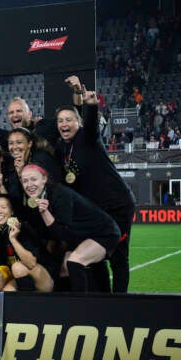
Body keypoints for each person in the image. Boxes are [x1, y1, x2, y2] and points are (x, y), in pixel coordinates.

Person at [55, 76, 135, 293]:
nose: (64, 124)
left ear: (78, 122)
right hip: (96, 211)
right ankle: (103, 299)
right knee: (94, 257)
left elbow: (90, 124)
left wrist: (90, 105)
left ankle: (120, 303)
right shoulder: (63, 147)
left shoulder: (87, 137)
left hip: (117, 205)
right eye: (60, 121)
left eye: (69, 120)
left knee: (118, 256)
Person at [20, 164, 120, 292]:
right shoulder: (38, 198)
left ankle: (80, 306)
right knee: (64, 269)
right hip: (81, 235)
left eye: (34, 179)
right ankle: (67, 304)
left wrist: (45, 213)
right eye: (25, 181)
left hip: (103, 232)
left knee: (74, 262)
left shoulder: (60, 193)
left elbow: (62, 234)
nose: (29, 184)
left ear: (44, 179)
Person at [0, 195, 53, 292]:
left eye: (3, 207)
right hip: (21, 278)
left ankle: (29, 303)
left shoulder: (23, 228)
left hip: (45, 278)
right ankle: (24, 305)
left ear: (12, 212)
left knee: (17, 267)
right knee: (7, 291)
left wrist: (13, 239)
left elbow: (31, 263)